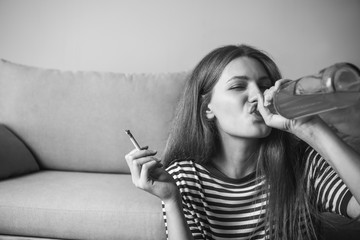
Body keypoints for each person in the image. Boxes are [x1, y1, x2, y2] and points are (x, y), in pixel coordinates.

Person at [125, 45, 360, 240]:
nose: (258, 96)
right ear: (208, 108)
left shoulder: (302, 164)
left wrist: (312, 127)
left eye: (265, 85)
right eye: (238, 86)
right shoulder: (185, 177)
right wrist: (171, 199)